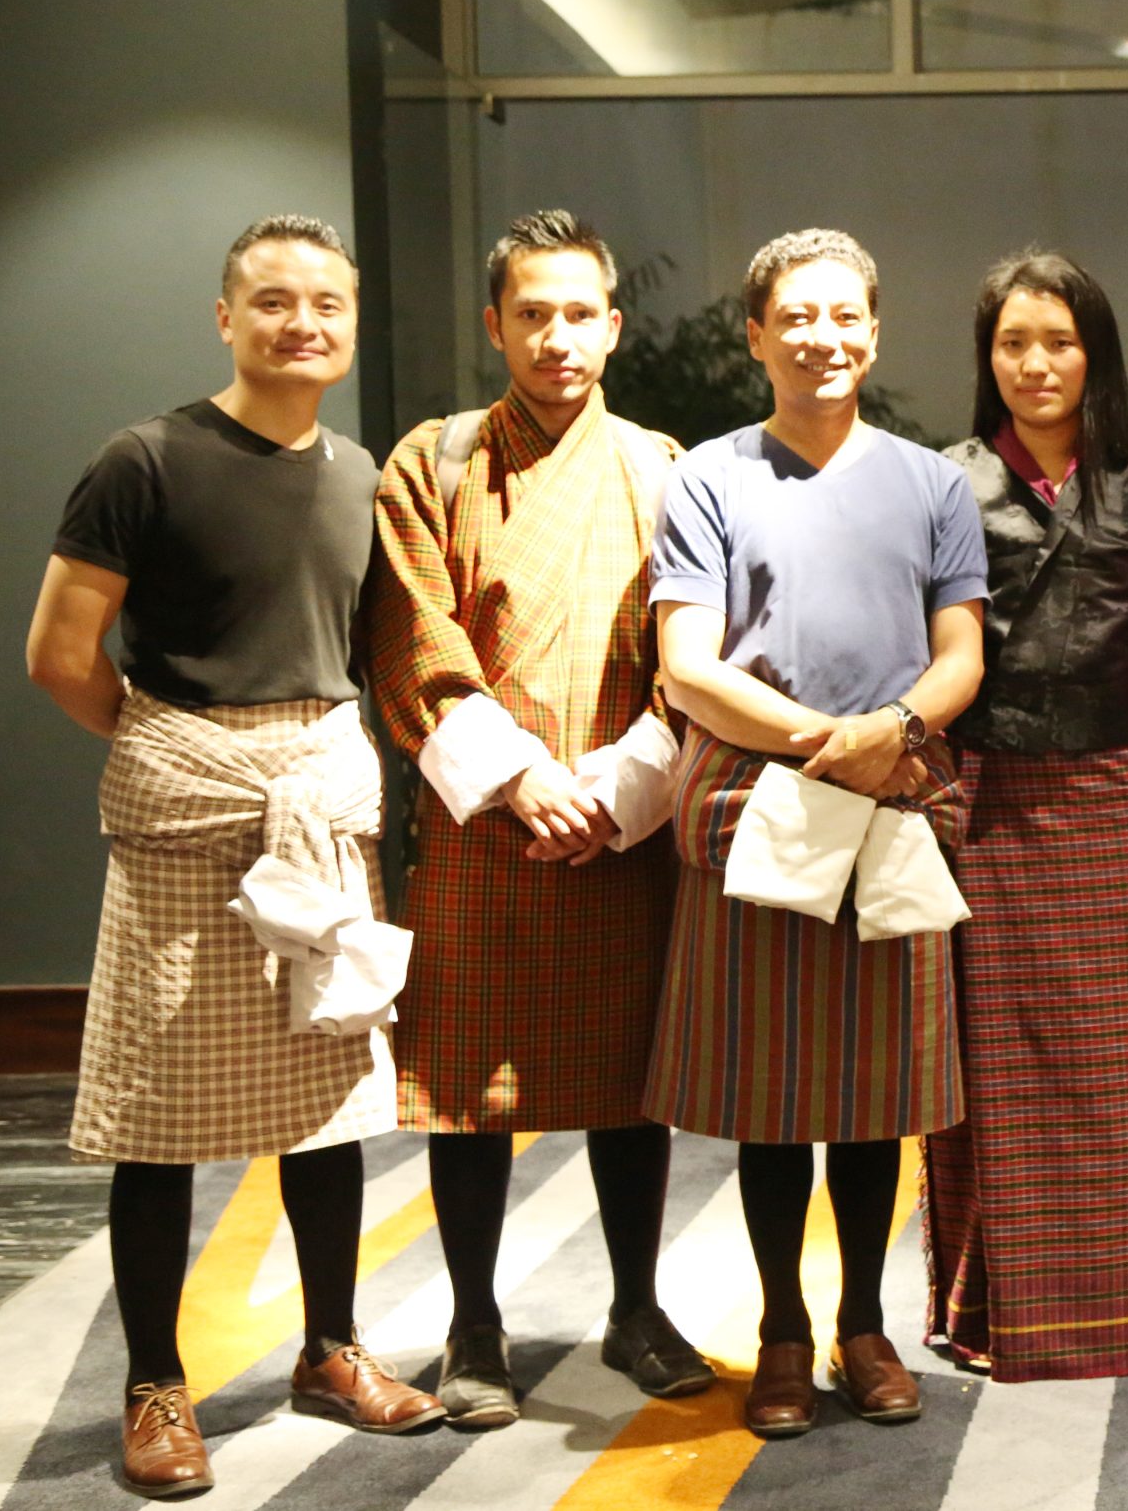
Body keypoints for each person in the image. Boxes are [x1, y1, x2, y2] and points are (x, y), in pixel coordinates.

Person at [25, 215, 442, 1498]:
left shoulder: (360, 474)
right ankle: (156, 1385)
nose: (300, 322)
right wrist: (190, 758)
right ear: (225, 317)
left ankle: (331, 1348)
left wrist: (282, 769)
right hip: (189, 812)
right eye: (272, 300)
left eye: (325, 303)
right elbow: (61, 655)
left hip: (316, 800)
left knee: (326, 1099)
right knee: (157, 1118)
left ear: (350, 324)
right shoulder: (143, 460)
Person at [366, 209, 709, 1428]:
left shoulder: (664, 468)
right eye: (531, 314)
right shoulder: (437, 461)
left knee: (630, 1081)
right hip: (485, 823)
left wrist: (612, 792)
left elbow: (695, 657)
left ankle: (637, 1308)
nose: (555, 337)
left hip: (618, 820)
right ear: (494, 326)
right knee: (468, 1089)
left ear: (613, 328)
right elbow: (413, 634)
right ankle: (473, 1324)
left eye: (576, 314)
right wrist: (521, 781)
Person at [646, 228, 988, 1439]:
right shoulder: (710, 477)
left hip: (891, 804)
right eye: (794, 316)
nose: (820, 337)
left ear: (875, 333)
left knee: (875, 1098)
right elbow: (686, 667)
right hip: (762, 809)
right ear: (756, 335)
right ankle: (783, 1331)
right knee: (772, 1097)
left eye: (844, 315)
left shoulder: (934, 483)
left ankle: (863, 1323)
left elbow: (962, 654)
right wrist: (827, 739)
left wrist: (890, 731)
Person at [925, 252, 1128, 1381]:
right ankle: (989, 1310)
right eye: (1012, 344)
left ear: (1096, 354)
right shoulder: (946, 481)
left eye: (1059, 342)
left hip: (1114, 792)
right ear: (986, 358)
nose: (1035, 364)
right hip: (984, 798)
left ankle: (1116, 1315)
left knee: (1114, 1060)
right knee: (989, 1060)